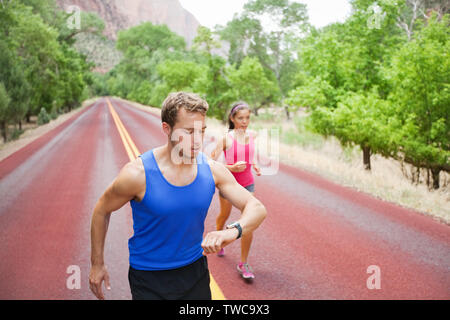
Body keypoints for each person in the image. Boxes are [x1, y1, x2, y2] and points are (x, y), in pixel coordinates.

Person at [89, 92, 267, 300]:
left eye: (201, 131)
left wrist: (231, 232)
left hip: (195, 272)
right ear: (167, 129)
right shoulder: (137, 174)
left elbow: (257, 208)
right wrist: (97, 263)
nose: (197, 140)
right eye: (189, 132)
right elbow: (101, 210)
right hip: (149, 277)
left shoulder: (211, 170)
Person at [210, 102, 261, 281]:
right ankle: (219, 236)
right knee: (224, 215)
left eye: (247, 118)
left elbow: (250, 152)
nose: (245, 122)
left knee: (248, 221)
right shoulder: (226, 138)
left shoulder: (253, 135)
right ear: (232, 119)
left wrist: (253, 163)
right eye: (240, 118)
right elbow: (211, 162)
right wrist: (231, 167)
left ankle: (244, 262)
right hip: (229, 184)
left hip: (248, 184)